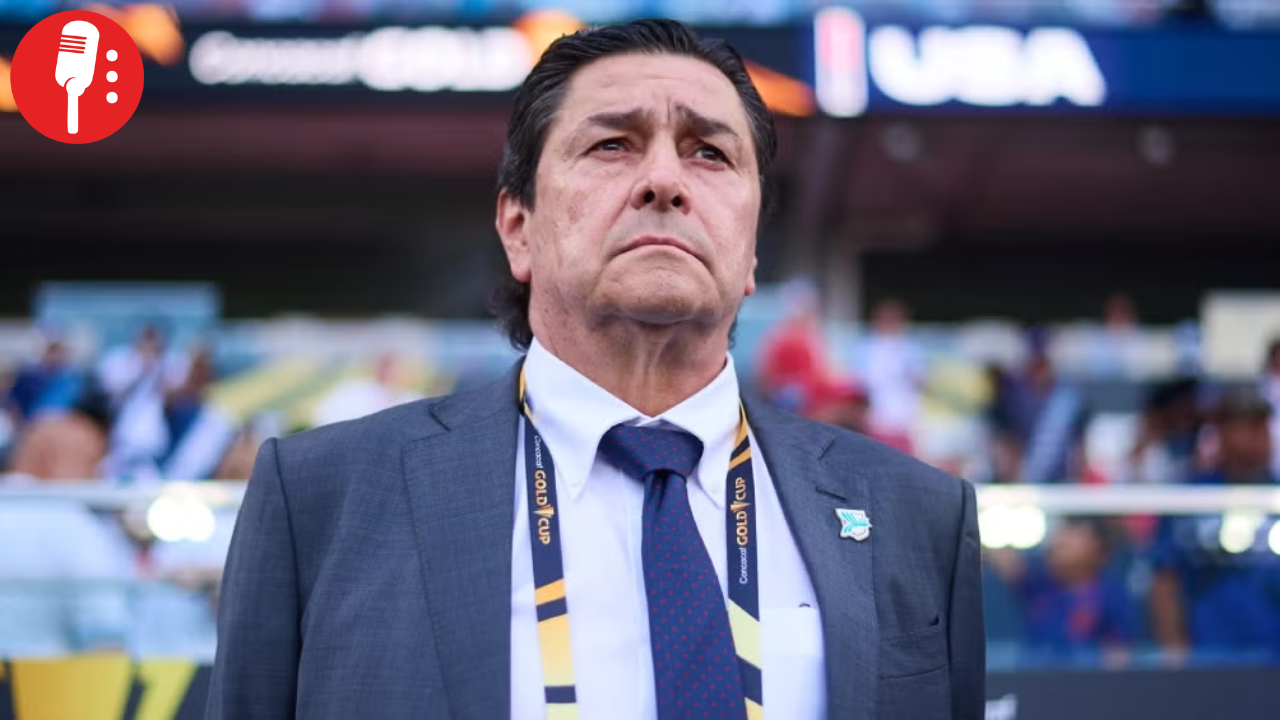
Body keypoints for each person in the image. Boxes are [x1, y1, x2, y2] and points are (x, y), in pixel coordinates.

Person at [208, 20, 984, 720]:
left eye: (710, 153)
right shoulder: (322, 500)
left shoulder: (916, 516)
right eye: (613, 144)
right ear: (518, 227)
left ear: (752, 250)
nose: (665, 181)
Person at [1149, 387, 1280, 663]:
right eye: (1246, 426)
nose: (1258, 438)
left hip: (1272, 653)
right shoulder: (1192, 496)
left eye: (1262, 426)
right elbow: (1164, 578)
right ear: (1221, 432)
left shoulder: (1275, 495)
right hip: (1208, 655)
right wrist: (1174, 651)